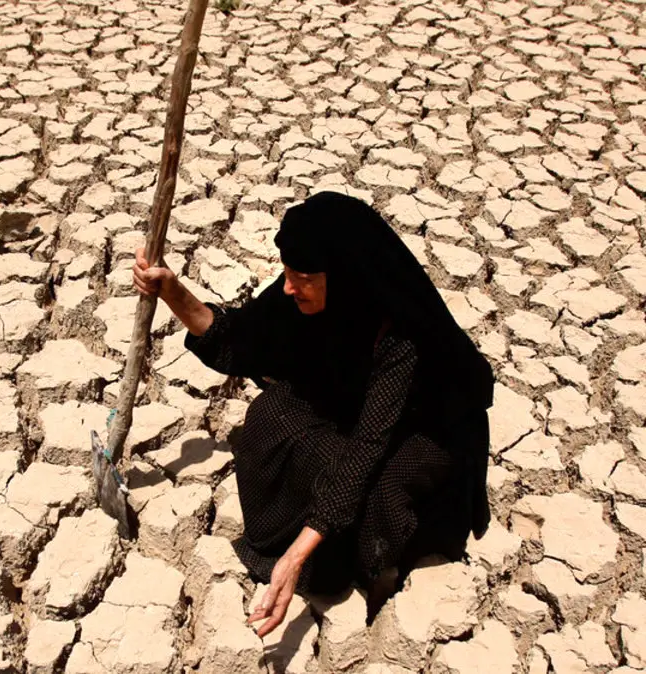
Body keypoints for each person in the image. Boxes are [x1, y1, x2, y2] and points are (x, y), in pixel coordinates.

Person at [132, 191, 494, 637]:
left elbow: (367, 449)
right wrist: (171, 291)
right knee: (272, 415)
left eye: (301, 278)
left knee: (377, 492)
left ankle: (369, 566)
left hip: (424, 432)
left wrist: (295, 557)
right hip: (357, 411)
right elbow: (241, 339)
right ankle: (307, 537)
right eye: (287, 273)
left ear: (343, 277)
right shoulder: (308, 292)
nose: (288, 287)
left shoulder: (401, 335)